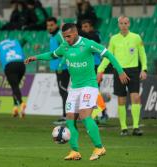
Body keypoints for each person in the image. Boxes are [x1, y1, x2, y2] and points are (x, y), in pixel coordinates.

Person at [25, 23, 129, 160]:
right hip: (74, 88)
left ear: (75, 33)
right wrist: (36, 57)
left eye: (68, 36)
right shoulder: (64, 46)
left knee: (85, 116)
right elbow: (52, 54)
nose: (66, 39)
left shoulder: (88, 44)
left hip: (89, 86)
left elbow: (108, 54)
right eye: (64, 37)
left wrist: (120, 71)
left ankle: (99, 147)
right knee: (70, 119)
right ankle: (75, 151)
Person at [97, 16, 147, 136]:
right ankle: (124, 128)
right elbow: (108, 56)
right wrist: (100, 69)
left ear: (129, 24)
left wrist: (144, 69)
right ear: (118, 25)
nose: (123, 25)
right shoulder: (114, 39)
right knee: (121, 99)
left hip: (134, 71)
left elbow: (142, 54)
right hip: (119, 71)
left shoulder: (136, 37)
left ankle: (135, 127)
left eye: (125, 23)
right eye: (121, 23)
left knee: (135, 97)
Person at [80, 19, 108, 122]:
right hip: (85, 67)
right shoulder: (82, 40)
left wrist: (79, 31)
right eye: (82, 27)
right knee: (87, 92)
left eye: (86, 26)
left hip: (95, 66)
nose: (84, 29)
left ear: (91, 27)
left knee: (95, 91)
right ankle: (93, 115)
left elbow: (94, 39)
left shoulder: (96, 35)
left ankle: (104, 113)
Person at [45, 17, 70, 124]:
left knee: (63, 91)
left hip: (63, 68)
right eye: (48, 25)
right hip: (59, 68)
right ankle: (68, 115)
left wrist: (60, 65)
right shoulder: (52, 36)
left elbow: (67, 49)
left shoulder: (59, 35)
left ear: (56, 25)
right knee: (62, 91)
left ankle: (67, 116)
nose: (49, 27)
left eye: (51, 25)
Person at [0, 39, 26, 118]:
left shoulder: (0, 46)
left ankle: (21, 103)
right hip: (21, 65)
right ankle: (15, 108)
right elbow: (25, 39)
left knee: (14, 87)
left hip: (10, 65)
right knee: (15, 87)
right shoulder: (16, 42)